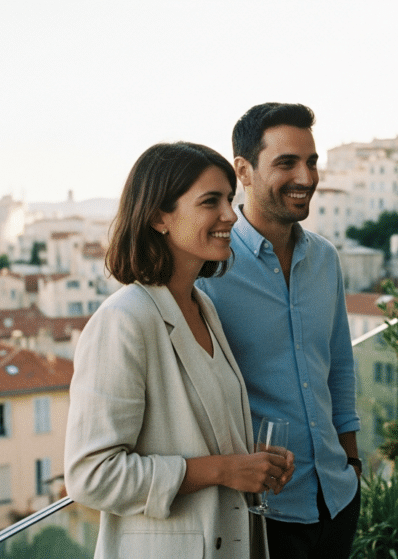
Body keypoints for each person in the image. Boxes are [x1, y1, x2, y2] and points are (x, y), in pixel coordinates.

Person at [64, 142, 294, 559]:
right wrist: (223, 470)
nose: (230, 215)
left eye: (229, 199)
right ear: (158, 217)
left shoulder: (201, 306)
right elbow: (91, 476)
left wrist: (253, 464)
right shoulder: (124, 320)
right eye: (211, 202)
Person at [196, 103, 361, 559]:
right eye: (286, 163)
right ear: (243, 172)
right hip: (265, 514)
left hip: (338, 497)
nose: (306, 177)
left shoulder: (325, 258)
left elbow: (340, 367)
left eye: (311, 162)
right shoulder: (208, 271)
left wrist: (352, 463)